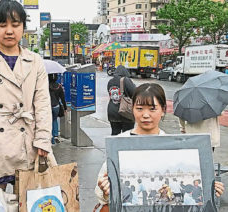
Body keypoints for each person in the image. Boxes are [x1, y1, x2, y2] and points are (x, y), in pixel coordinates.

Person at [0, 0, 55, 191]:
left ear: (23, 27)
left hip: (28, 142)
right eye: (2, 24)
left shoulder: (35, 61)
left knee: (30, 202)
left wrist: (43, 139)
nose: (9, 31)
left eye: (15, 25)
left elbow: (42, 104)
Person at [95, 83, 225, 207]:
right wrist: (106, 191)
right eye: (139, 109)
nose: (145, 115)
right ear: (132, 109)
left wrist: (209, 189)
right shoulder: (119, 144)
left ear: (163, 110)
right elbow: (101, 194)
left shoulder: (175, 148)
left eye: (152, 109)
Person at [107, 65, 136, 135]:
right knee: (127, 134)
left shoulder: (110, 81)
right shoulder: (126, 80)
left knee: (115, 133)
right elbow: (134, 93)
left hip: (112, 111)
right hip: (125, 111)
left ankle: (113, 146)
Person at [48, 73, 66, 144]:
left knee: (49, 121)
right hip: (56, 106)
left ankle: (51, 138)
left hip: (48, 106)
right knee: (54, 120)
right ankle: (55, 135)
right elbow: (62, 98)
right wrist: (65, 108)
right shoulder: (59, 86)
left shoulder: (46, 86)